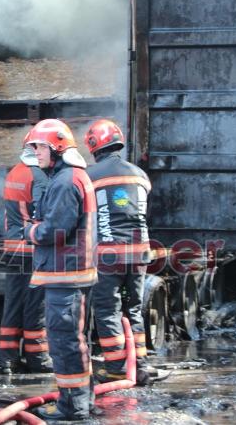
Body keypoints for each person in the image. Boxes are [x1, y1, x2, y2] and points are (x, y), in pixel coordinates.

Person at [22, 119, 97, 422]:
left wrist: (31, 231)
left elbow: (55, 231)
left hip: (65, 276)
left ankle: (72, 407)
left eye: (39, 147)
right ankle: (81, 399)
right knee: (74, 341)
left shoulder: (66, 182)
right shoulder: (70, 177)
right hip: (71, 274)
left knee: (64, 343)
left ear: (57, 147)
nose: (35, 153)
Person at [83, 119, 154, 385]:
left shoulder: (91, 175)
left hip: (109, 253)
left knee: (107, 307)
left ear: (93, 145)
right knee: (134, 306)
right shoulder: (140, 174)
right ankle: (140, 361)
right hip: (140, 252)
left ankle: (115, 365)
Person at [0, 132, 52, 374]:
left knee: (13, 303)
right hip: (31, 250)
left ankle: (7, 359)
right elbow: (43, 215)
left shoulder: (15, 172)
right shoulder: (39, 177)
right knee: (35, 305)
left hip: (12, 248)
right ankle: (37, 358)